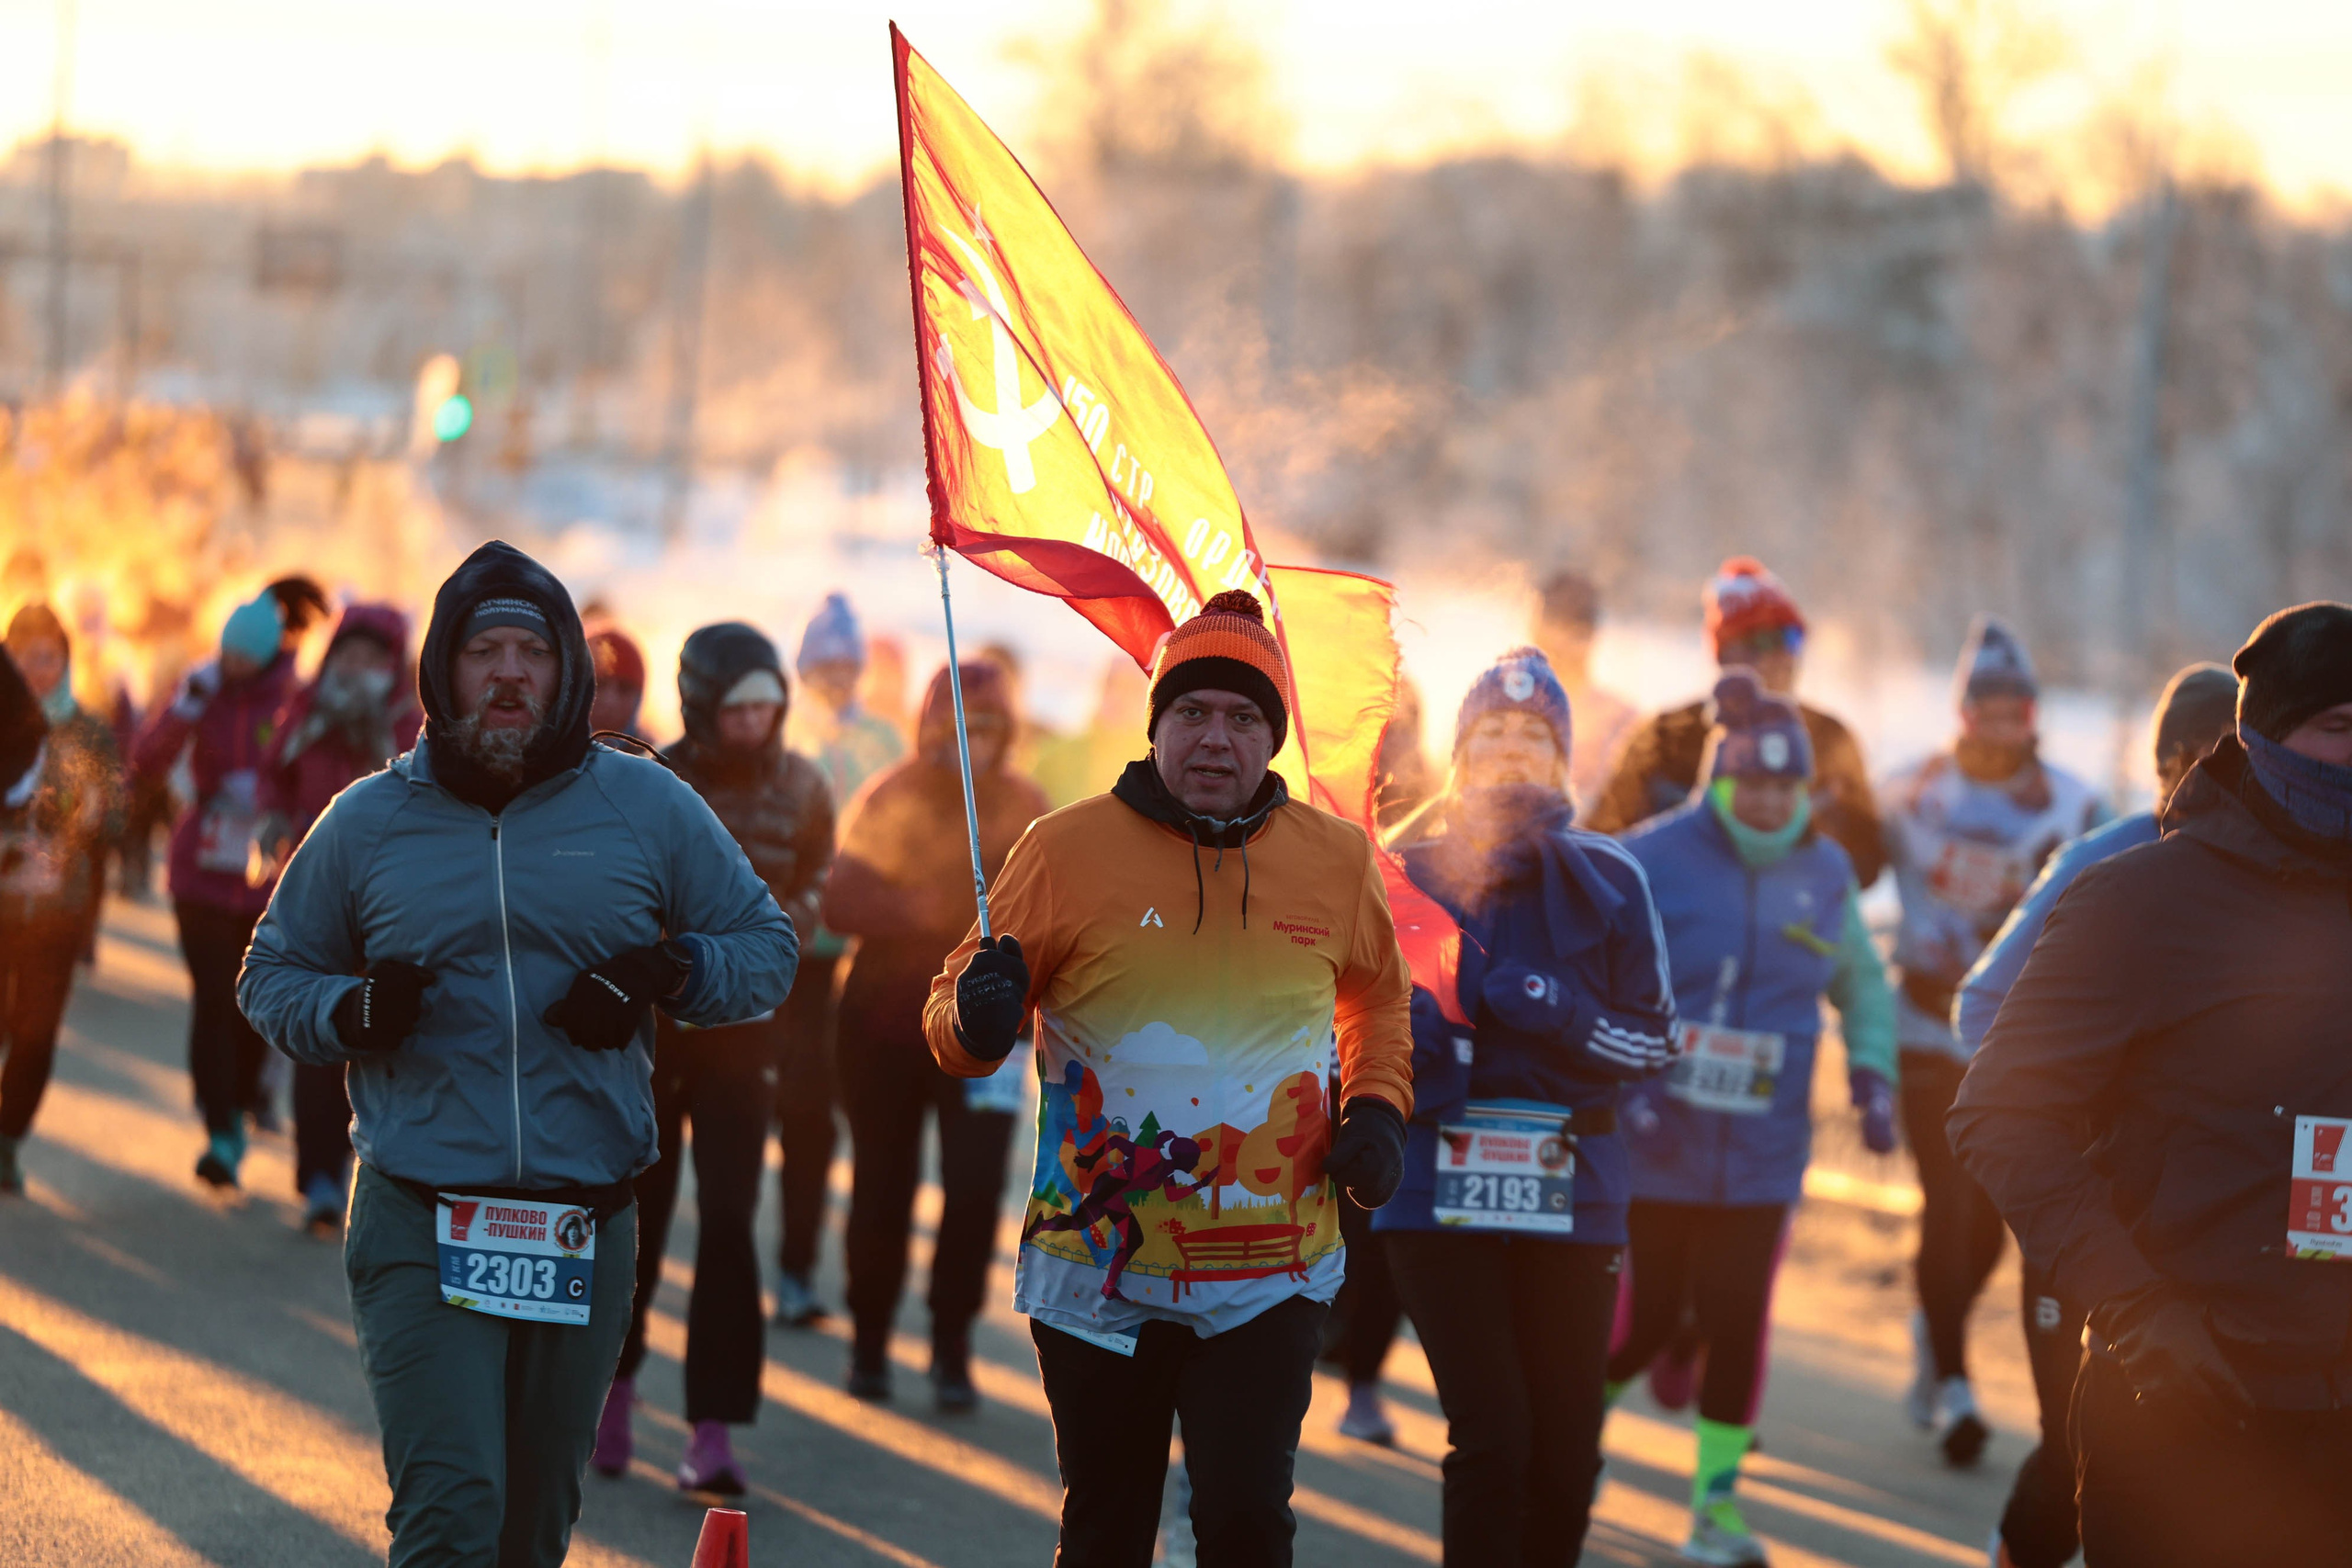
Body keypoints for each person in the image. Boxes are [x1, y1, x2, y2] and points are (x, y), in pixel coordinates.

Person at [237, 540, 797, 1567]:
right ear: (442, 671)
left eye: (531, 653)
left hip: (583, 1224)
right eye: (482, 650)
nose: (507, 674)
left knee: (530, 1532)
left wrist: (663, 973)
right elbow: (269, 976)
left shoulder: (646, 805)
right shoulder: (370, 821)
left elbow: (767, 951)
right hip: (421, 1210)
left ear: (566, 671)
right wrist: (354, 1012)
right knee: (452, 1516)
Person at [924, 591, 1414, 1566]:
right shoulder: (1064, 850)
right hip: (1102, 1274)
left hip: (1269, 1275)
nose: (1214, 740)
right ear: (1156, 726)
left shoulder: (1335, 860)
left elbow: (1378, 1003)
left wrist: (1376, 1106)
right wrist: (975, 1022)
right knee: (1108, 1530)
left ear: (1270, 738)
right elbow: (953, 1012)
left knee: (1242, 1524)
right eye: (1191, 713)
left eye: (1241, 718)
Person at [1950, 602, 2352, 1567]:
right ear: (2262, 736)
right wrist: (2134, 1309)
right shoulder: (2134, 899)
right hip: (2177, 1400)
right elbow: (2001, 1114)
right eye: (2341, 728)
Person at [1372, 645, 1676, 1568]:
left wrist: (1552, 1007)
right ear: (1461, 754)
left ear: (1562, 758)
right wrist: (1427, 1045)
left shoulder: (1612, 878)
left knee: (1564, 1453)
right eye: (1492, 732)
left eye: (1533, 734)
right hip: (1433, 1189)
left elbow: (1653, 1042)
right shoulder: (1401, 874)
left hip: (1572, 1195)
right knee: (1493, 1438)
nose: (1511, 749)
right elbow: (1349, 1029)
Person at [1944, 660, 2235, 1568]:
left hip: (2198, 1222)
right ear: (2164, 761)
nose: (2216, 774)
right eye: (2197, 755)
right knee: (2076, 1445)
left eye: (2235, 751)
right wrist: (2088, 1105)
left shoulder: (2273, 877)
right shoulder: (2099, 863)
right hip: (2082, 1209)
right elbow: (1979, 1010)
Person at [1609, 670, 1897, 1566]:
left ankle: (1715, 1506)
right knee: (1646, 1319)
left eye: (1787, 785)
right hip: (1656, 1142)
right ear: (1718, 781)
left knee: (1738, 1320)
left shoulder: (1825, 870)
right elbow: (1598, 976)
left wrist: (1872, 1071)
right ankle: (1572, 1443)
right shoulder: (1651, 857)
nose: (1771, 801)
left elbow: (1861, 982)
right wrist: (1624, 1089)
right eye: (1753, 783)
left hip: (1764, 1151)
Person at [598, 621, 833, 1489]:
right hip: (654, 1036)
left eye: (769, 705)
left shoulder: (804, 786)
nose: (755, 722)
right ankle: (610, 1390)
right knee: (636, 1219)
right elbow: (619, 895)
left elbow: (813, 887)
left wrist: (760, 941)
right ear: (700, 703)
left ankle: (713, 1428)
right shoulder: (648, 778)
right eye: (737, 707)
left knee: (732, 1225)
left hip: (748, 1035)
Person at [1881, 615, 2106, 1464]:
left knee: (1987, 1227)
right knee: (1950, 1203)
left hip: (2017, 1041)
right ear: (1962, 710)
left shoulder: (2075, 804)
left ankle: (1928, 1333)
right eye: (1987, 704)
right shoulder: (1908, 790)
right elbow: (1846, 856)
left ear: (2035, 712)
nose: (2003, 719)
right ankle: (1955, 1387)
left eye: (2017, 705)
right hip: (1923, 1026)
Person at [825, 660, 1046, 1408]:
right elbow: (839, 899)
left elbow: (1054, 920)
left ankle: (951, 1344)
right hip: (885, 1027)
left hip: (990, 1039)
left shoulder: (1025, 808)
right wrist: (922, 906)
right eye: (954, 725)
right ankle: (868, 1343)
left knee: (976, 1191)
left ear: (1006, 733)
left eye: (984, 727)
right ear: (927, 728)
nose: (968, 742)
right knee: (881, 1188)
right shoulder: (892, 795)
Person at [253, 602, 423, 1232]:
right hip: (314, 893)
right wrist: (272, 820)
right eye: (346, 654)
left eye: (371, 657)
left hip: (388, 906)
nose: (355, 668)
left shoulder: (414, 724)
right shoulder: (306, 710)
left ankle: (363, 1169)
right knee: (320, 1035)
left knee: (380, 1040)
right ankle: (319, 1174)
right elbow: (274, 773)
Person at [133, 589, 299, 1188]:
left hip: (263, 878)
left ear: (264, 656)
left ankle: (249, 1093)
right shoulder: (200, 689)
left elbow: (311, 773)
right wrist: (183, 706)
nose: (230, 666)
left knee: (250, 1006)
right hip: (200, 870)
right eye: (224, 653)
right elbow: (145, 759)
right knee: (210, 998)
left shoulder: (291, 698)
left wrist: (266, 791)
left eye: (241, 658)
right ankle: (221, 1131)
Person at [1589, 557, 1883, 886]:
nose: (1783, 655)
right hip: (1681, 922)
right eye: (1764, 640)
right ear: (1724, 653)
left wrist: (1795, 833)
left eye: (1793, 637)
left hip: (1793, 923)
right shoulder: (1664, 737)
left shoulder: (1829, 738)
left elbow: (1868, 863)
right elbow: (1603, 843)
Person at [774, 591, 905, 1325]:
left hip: (860, 957)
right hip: (791, 954)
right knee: (797, 1111)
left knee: (836, 1118)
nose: (835, 676)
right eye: (822, 663)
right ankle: (792, 1267)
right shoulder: (783, 736)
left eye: (846, 663)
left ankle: (815, 1270)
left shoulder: (884, 741)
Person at [0, 605, 124, 1196]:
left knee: (36, 1032)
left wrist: (92, 819)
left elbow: (117, 814)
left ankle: (6, 1141)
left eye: (46, 656)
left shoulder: (88, 730)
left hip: (56, 910)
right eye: (21, 655)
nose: (34, 669)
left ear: (66, 661)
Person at [1532, 569, 1640, 813]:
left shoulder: (1622, 721)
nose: (1568, 634)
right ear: (1535, 626)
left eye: (1580, 619)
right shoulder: (1496, 712)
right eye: (1557, 618)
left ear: (1594, 630)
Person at [585, 623, 649, 741]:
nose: (609, 700)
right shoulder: (548, 752)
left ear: (638, 698)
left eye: (625, 688)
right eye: (599, 684)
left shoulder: (656, 757)